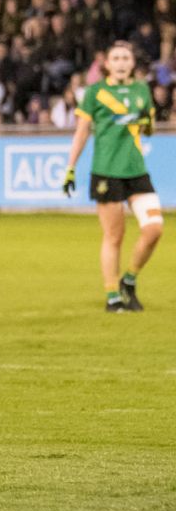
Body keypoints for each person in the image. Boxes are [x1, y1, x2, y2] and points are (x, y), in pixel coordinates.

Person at [62, 41, 163, 312]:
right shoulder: (96, 92)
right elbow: (82, 131)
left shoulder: (142, 89)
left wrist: (146, 122)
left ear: (132, 63)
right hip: (107, 172)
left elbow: (149, 129)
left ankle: (128, 280)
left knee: (154, 229)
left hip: (136, 170)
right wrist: (70, 167)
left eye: (125, 58)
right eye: (115, 58)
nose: (120, 62)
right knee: (114, 236)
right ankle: (112, 296)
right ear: (106, 63)